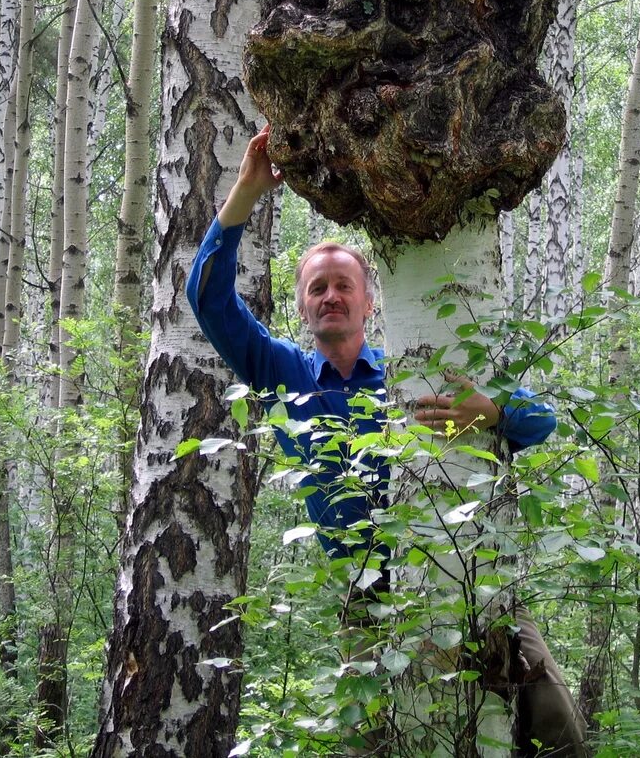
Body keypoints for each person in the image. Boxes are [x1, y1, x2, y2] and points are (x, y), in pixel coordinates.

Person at [187, 125, 587, 757]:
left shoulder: (414, 364)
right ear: (303, 308)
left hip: (466, 576)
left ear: (370, 301)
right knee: (366, 743)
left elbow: (541, 423)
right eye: (317, 288)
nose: (330, 296)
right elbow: (208, 300)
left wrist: (490, 411)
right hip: (363, 600)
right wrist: (244, 193)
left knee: (556, 721)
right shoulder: (280, 372)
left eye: (343, 284)